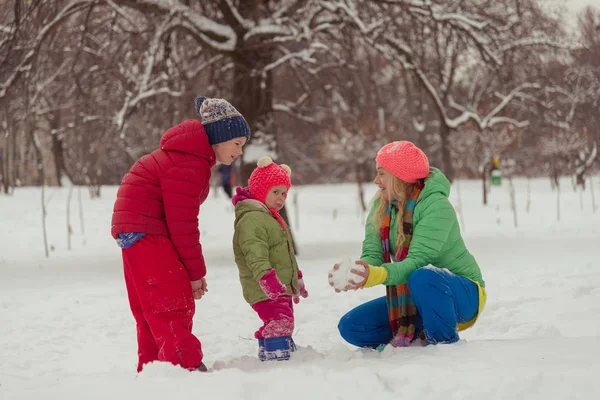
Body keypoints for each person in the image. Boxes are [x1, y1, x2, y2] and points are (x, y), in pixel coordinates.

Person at [111, 96, 250, 372]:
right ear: (219, 137)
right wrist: (195, 273)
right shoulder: (189, 164)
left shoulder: (183, 156)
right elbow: (183, 224)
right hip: (147, 230)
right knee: (171, 302)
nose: (239, 152)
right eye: (236, 143)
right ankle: (182, 365)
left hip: (135, 232)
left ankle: (153, 367)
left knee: (150, 307)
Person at [329, 141, 486, 349]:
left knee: (423, 276)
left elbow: (417, 263)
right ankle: (416, 334)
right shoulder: (381, 207)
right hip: (415, 294)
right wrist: (359, 272)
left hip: (461, 293)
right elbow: (373, 254)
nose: (376, 181)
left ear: (399, 175)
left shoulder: (436, 206)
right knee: (352, 326)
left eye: (382, 173)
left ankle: (444, 346)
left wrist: (376, 275)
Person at [231, 156, 308, 361]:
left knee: (284, 320)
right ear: (260, 189)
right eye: (275, 192)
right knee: (279, 321)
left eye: (284, 192)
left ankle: (276, 348)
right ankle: (276, 355)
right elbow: (254, 253)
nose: (281, 197)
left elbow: (284, 253)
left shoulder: (271, 217)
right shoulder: (252, 219)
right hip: (264, 286)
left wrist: (296, 278)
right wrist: (266, 278)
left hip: (280, 285)